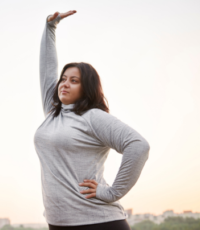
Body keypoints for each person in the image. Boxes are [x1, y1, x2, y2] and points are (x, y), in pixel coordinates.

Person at [33, 10, 150, 230]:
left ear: (86, 87)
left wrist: (112, 192)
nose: (64, 84)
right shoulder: (53, 113)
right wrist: (50, 28)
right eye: (63, 79)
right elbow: (47, 70)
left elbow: (138, 145)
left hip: (98, 222)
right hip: (58, 223)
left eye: (74, 80)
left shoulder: (93, 117)